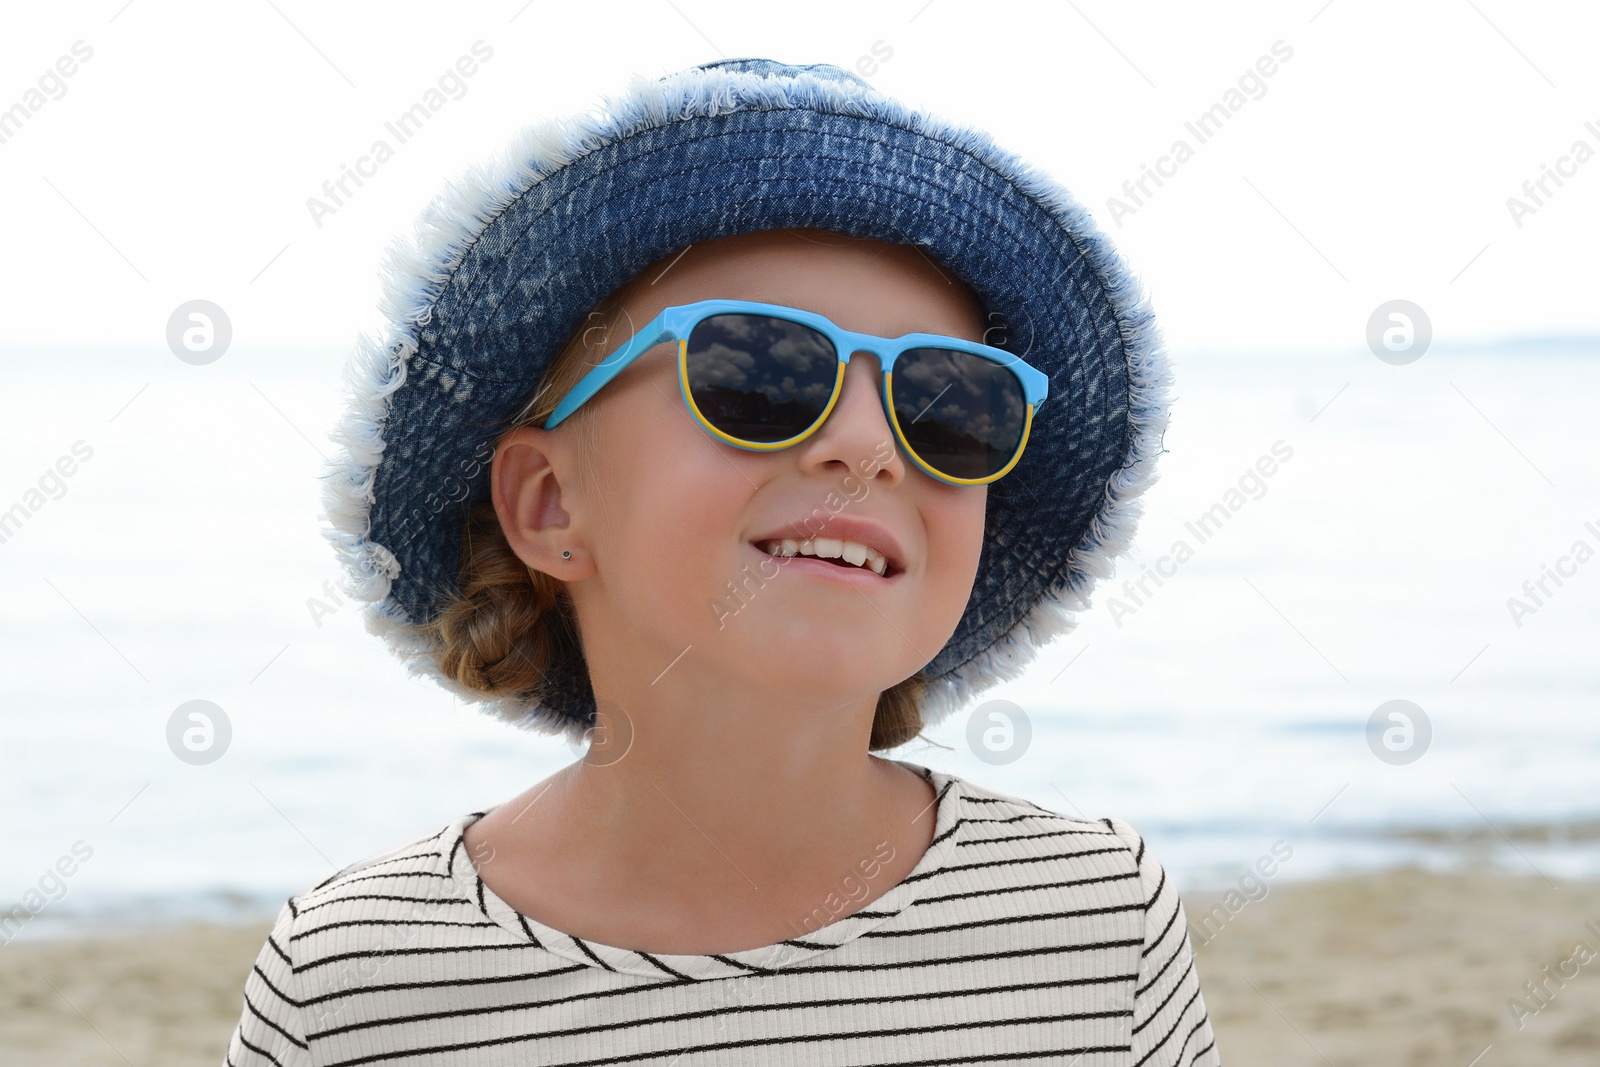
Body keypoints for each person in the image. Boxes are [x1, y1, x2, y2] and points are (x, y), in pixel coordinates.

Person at [223, 58, 1219, 1066]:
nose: (870, 444)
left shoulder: (1097, 918)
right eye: (761, 372)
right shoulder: (353, 978)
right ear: (549, 501)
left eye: (950, 405)